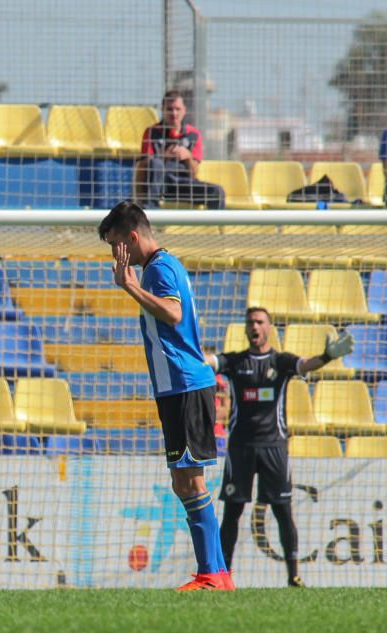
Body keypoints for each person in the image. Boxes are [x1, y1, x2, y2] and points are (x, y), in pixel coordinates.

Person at [99, 200, 233, 591]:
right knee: (182, 481)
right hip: (175, 389)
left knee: (191, 481)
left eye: (115, 245)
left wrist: (131, 287)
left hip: (187, 386)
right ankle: (216, 572)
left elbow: (173, 314)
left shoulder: (158, 268)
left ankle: (214, 574)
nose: (115, 255)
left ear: (132, 238)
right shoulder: (160, 267)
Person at [204, 307, 354, 587]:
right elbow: (208, 362)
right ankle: (222, 576)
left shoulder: (280, 361)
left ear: (270, 327)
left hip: (274, 446)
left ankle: (293, 575)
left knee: (283, 512)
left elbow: (306, 365)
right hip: (240, 447)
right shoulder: (235, 362)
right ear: (246, 328)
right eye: (250, 322)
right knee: (232, 514)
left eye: (259, 322)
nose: (254, 327)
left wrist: (327, 357)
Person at [136, 91, 225, 209]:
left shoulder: (194, 134)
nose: (174, 113)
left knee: (217, 192)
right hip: (160, 185)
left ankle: (216, 227)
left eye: (177, 109)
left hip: (183, 185)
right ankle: (152, 217)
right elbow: (142, 169)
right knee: (155, 163)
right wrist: (161, 157)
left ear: (184, 110)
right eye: (169, 109)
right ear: (162, 110)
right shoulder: (152, 132)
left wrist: (188, 157)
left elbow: (194, 174)